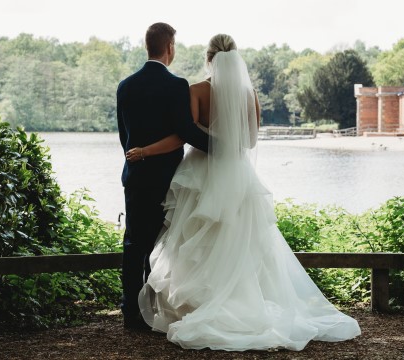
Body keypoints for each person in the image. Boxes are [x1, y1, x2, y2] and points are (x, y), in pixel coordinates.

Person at [126, 34, 361, 351]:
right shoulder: (248, 95)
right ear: (236, 59)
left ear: (208, 59)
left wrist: (149, 150)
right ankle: (241, 303)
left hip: (201, 171)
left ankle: (195, 306)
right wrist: (227, 141)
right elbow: (249, 142)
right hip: (236, 173)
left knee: (197, 239)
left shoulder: (195, 90)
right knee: (239, 240)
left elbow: (186, 134)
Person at [116, 22, 209, 330]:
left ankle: (131, 312)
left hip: (135, 175)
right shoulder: (176, 85)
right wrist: (220, 148)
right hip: (168, 178)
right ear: (170, 47)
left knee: (134, 243)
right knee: (163, 245)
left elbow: (124, 137)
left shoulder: (125, 86)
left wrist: (138, 158)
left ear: (148, 47)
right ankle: (154, 309)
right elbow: (185, 131)